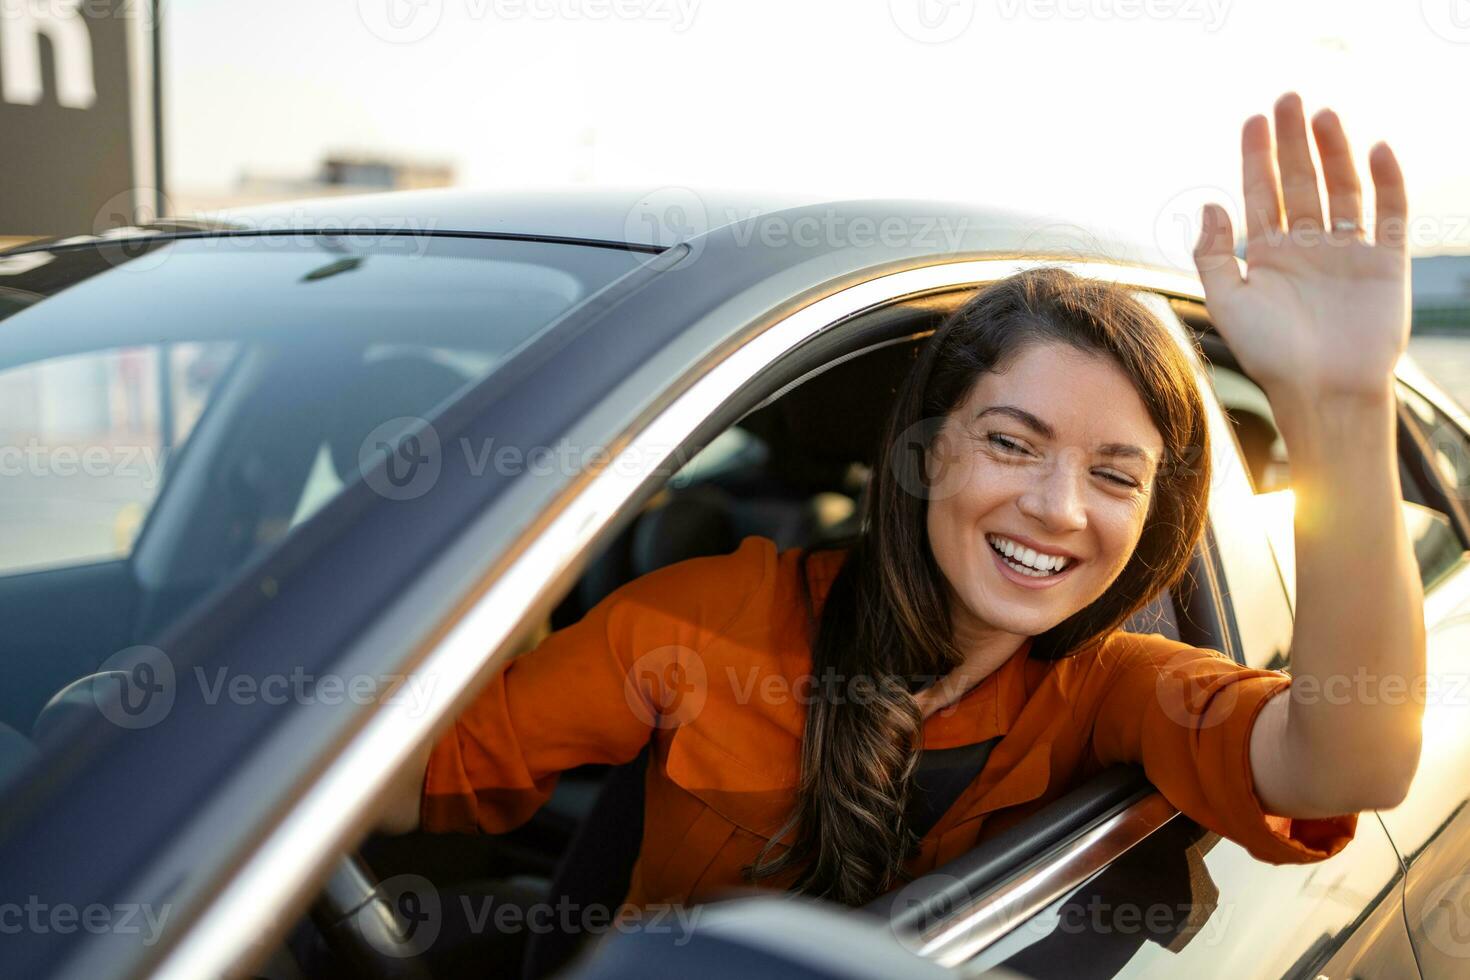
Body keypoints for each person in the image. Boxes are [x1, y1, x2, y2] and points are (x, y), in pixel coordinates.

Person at [377, 93, 1423, 917]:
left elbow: (1352, 757)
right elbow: (405, 779)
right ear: (926, 454)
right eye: (1013, 443)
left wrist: (1342, 402)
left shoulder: (1110, 687)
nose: (1059, 506)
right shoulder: (707, 619)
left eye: (1116, 473)